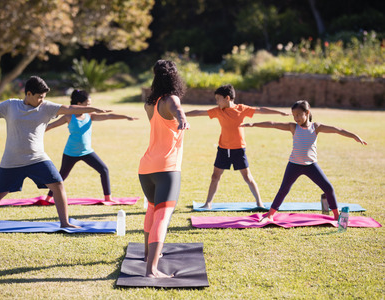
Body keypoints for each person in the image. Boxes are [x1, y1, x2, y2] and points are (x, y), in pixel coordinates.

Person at [0, 76, 109, 230]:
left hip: (37, 158)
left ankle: (65, 223)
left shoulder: (46, 108)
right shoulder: (10, 106)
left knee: (58, 185)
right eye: (39, 96)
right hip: (12, 160)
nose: (42, 100)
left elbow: (70, 108)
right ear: (28, 93)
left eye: (44, 96)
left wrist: (93, 109)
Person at [241, 100, 367, 221]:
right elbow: (273, 124)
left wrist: (354, 136)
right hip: (294, 165)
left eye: (298, 115)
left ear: (307, 113)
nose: (296, 118)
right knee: (284, 189)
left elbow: (337, 130)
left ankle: (336, 215)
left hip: (311, 166)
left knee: (328, 188)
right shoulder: (293, 127)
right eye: (294, 115)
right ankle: (270, 214)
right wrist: (253, 124)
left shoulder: (316, 127)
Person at [186, 84, 288, 209]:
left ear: (227, 98)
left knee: (247, 177)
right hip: (223, 149)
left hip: (239, 149)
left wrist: (279, 112)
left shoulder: (242, 109)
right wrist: (181, 114)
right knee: (215, 176)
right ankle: (208, 203)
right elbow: (199, 112)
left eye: (218, 99)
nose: (216, 102)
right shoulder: (218, 111)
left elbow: (261, 110)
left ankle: (259, 203)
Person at [139, 60, 189, 278]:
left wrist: (179, 118)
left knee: (152, 208)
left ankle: (148, 255)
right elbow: (177, 110)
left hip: (146, 168)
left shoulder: (150, 103)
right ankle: (152, 270)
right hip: (167, 169)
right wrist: (183, 120)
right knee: (163, 216)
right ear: (174, 77)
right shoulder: (172, 99)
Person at [44, 89, 137, 203]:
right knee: (61, 177)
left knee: (104, 169)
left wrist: (126, 116)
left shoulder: (90, 116)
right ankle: (48, 199)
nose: (90, 106)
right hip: (70, 153)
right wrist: (34, 132)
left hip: (87, 152)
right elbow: (52, 125)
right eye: (87, 104)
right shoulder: (68, 116)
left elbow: (108, 116)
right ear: (78, 104)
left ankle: (108, 198)